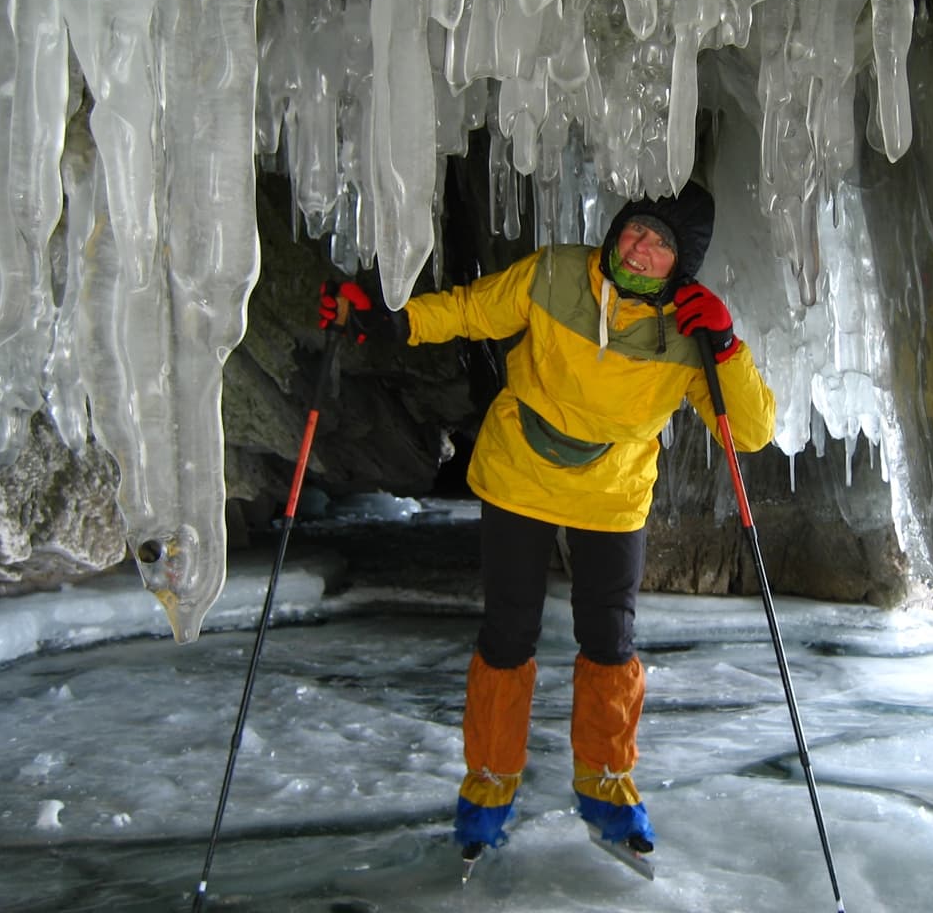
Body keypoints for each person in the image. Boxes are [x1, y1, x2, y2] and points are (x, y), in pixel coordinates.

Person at [318, 180, 775, 861]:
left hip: (612, 492)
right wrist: (389, 320)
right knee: (507, 633)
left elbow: (753, 431)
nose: (638, 248)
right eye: (634, 230)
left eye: (659, 244)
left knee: (609, 640)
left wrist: (728, 347)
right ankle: (488, 787)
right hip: (518, 474)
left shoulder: (690, 335)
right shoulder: (557, 273)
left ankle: (608, 785)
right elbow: (471, 311)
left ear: (681, 264)